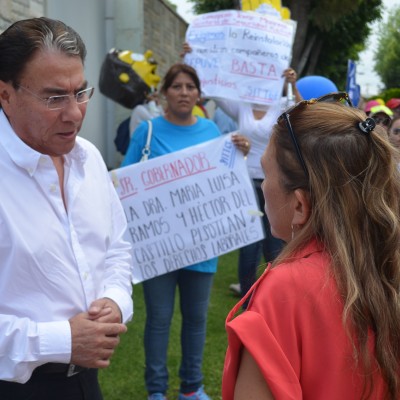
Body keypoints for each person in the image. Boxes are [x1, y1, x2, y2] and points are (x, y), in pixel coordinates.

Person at [222, 92, 400, 400]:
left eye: (266, 174)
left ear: (300, 205)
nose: (263, 185)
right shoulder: (389, 264)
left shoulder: (284, 289)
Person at [0, 17, 133, 400]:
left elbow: (117, 249)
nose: (74, 113)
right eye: (54, 97)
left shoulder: (88, 158)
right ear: (5, 94)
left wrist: (114, 301)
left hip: (85, 382)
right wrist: (60, 340)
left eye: (80, 92)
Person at [121, 63, 249, 400]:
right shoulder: (146, 132)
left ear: (199, 93)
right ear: (164, 93)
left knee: (196, 320)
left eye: (190, 86)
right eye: (176, 86)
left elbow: (226, 183)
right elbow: (124, 184)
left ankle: (192, 387)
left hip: (203, 247)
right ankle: (157, 390)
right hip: (158, 249)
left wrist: (240, 155)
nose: (183, 92)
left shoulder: (213, 134)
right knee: (159, 320)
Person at [181, 42, 302, 305]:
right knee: (249, 245)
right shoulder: (242, 106)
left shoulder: (283, 104)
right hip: (246, 182)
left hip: (275, 182)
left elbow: (304, 114)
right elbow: (212, 87)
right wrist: (191, 57)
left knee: (275, 243)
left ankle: (276, 301)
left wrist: (293, 84)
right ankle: (248, 302)